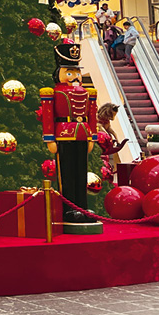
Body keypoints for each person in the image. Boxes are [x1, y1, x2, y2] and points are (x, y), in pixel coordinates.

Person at [39, 43, 101, 232]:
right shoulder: (52, 92)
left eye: (76, 72)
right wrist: (49, 138)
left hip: (82, 133)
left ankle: (82, 207)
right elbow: (48, 115)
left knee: (81, 172)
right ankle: (68, 210)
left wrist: (92, 137)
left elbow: (92, 115)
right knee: (66, 174)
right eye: (69, 72)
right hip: (63, 133)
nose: (74, 76)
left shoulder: (88, 92)